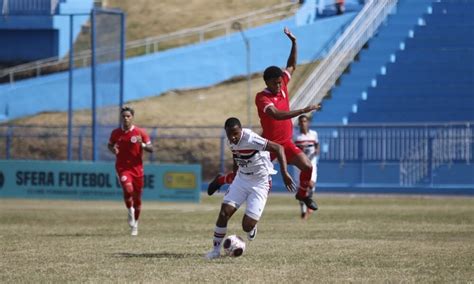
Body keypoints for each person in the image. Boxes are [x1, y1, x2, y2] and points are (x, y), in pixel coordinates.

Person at [208, 28, 321, 212]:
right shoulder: (262, 98)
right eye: (275, 83)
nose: (279, 85)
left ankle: (302, 195)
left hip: (286, 143)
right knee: (243, 176)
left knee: (307, 167)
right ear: (267, 82)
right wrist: (303, 110)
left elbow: (291, 65)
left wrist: (294, 43)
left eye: (279, 82)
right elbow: (276, 114)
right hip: (267, 145)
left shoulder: (282, 83)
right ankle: (221, 179)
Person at [205, 117, 296, 259]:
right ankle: (215, 251)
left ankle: (252, 227)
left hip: (260, 183)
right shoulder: (231, 141)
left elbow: (279, 148)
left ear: (241, 130)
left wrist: (285, 173)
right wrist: (235, 176)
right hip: (242, 180)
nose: (233, 137)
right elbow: (237, 157)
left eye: (236, 133)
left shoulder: (251, 138)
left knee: (246, 226)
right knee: (224, 213)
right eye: (230, 134)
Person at [108, 106, 154, 236]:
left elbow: (151, 148)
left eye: (128, 116)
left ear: (132, 117)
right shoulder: (116, 133)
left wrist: (142, 145)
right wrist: (113, 150)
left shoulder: (140, 132)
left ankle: (136, 225)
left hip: (137, 169)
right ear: (121, 118)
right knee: (128, 189)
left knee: (137, 198)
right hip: (122, 167)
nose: (126, 118)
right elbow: (110, 145)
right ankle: (130, 211)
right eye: (123, 116)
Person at [293, 115, 320, 220]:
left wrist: (317, 150)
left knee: (311, 183)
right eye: (301, 122)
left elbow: (317, 145)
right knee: (301, 188)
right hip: (299, 163)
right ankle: (304, 210)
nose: (303, 123)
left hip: (311, 162)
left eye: (305, 121)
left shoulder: (314, 134)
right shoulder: (295, 136)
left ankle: (309, 202)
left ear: (308, 123)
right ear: (299, 124)